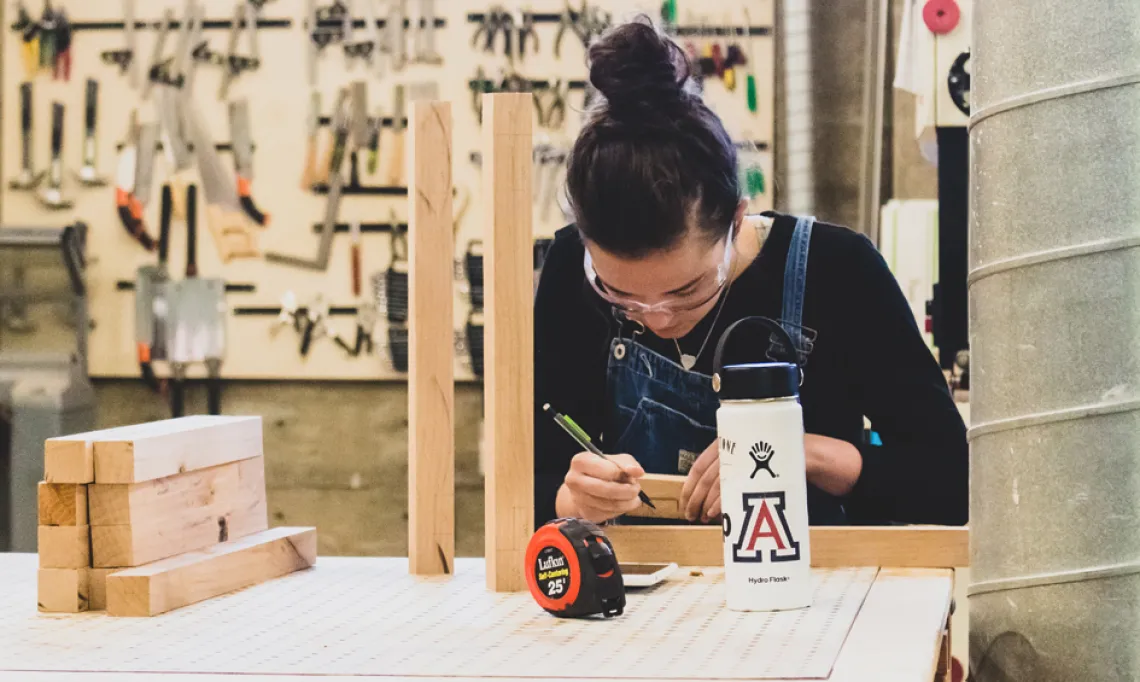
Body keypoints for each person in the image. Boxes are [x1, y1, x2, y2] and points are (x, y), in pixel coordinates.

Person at [533, 16, 968, 530]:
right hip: (634, 605)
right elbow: (527, 491)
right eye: (622, 296)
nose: (658, 320)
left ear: (736, 219)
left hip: (812, 604)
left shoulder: (840, 271)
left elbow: (949, 484)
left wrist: (808, 453)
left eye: (687, 290)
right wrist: (571, 503)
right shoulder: (568, 271)